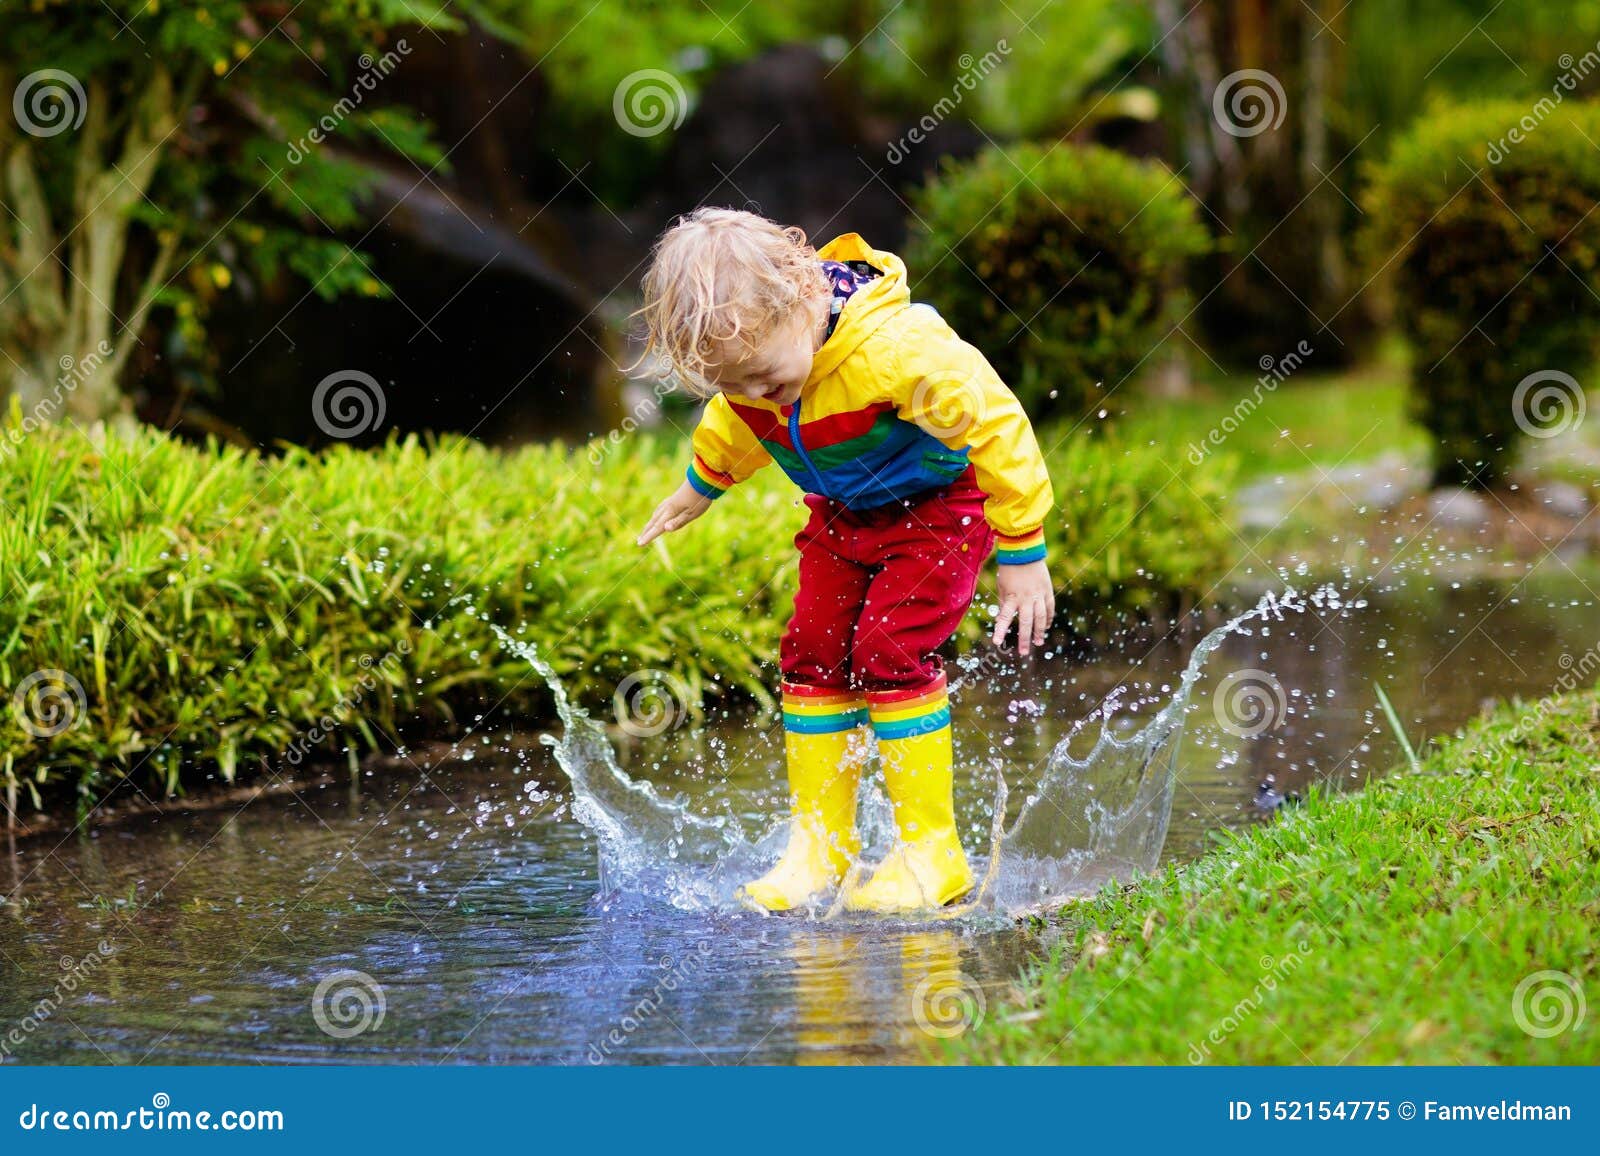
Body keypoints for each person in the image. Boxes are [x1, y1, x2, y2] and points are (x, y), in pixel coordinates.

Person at [634, 207, 1054, 914]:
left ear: (803, 298)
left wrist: (1022, 547)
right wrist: (700, 485)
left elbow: (996, 424)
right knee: (813, 651)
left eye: (766, 377)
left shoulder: (895, 350)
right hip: (842, 516)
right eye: (735, 385)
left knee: (889, 651)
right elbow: (736, 420)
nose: (759, 397)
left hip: (938, 510)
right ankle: (818, 849)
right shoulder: (755, 372)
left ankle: (932, 852)